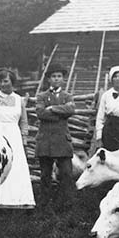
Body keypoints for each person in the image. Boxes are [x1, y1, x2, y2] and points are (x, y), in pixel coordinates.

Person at [0, 69, 35, 209]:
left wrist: (24, 139)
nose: (2, 84)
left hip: (15, 137)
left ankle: (19, 199)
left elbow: (23, 121)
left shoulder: (19, 100)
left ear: (12, 82)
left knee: (16, 167)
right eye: (0, 81)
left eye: (5, 81)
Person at [34, 65, 76, 211]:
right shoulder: (41, 96)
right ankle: (44, 204)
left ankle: (66, 204)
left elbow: (71, 110)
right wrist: (61, 112)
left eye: (59, 76)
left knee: (66, 174)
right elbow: (40, 113)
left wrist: (52, 108)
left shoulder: (68, 96)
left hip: (62, 141)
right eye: (53, 76)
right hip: (45, 140)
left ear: (63, 79)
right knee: (45, 175)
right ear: (48, 79)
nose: (56, 79)